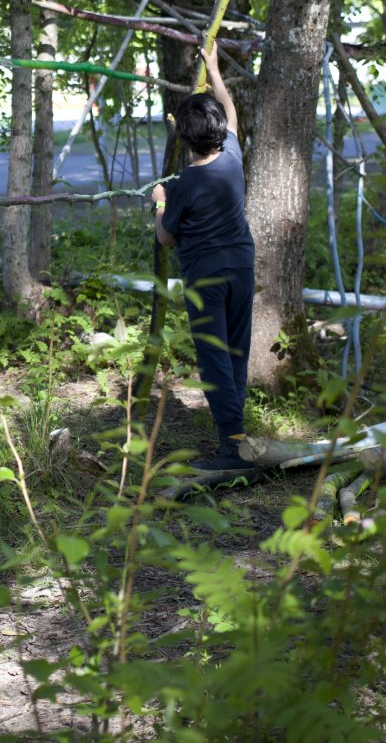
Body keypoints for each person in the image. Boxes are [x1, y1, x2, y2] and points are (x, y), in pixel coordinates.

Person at [151, 43, 257, 471]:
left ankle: (233, 448)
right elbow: (230, 114)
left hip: (206, 281)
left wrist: (160, 202)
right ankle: (237, 432)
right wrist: (214, 67)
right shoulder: (232, 156)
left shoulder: (182, 186)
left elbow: (166, 239)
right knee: (236, 353)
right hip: (241, 270)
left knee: (214, 359)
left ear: (183, 138)